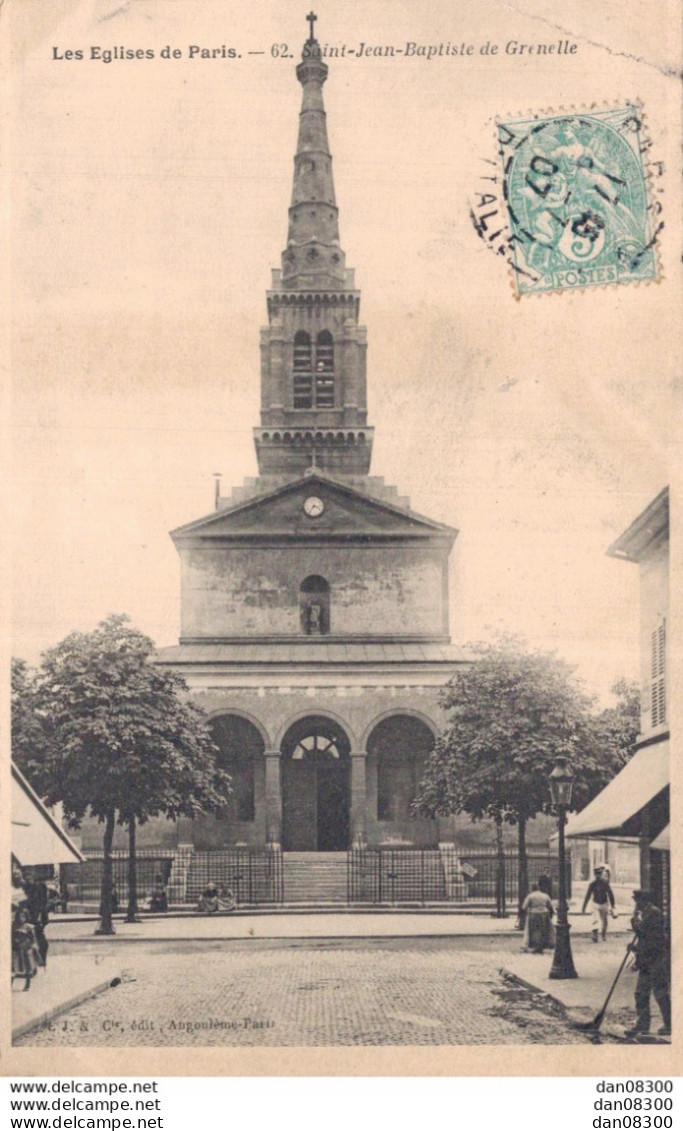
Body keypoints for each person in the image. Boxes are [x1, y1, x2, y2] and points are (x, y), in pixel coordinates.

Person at [626, 890, 671, 1038]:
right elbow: (644, 938)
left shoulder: (653, 913)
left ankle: (669, 1023)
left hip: (655, 959)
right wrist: (635, 948)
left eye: (637, 901)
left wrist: (634, 920)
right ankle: (643, 1025)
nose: (635, 904)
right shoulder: (646, 912)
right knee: (641, 994)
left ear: (642, 900)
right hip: (646, 960)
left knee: (660, 993)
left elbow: (644, 932)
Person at [582, 866, 616, 941]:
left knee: (605, 921)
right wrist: (584, 907)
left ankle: (603, 935)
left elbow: (611, 895)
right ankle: (595, 936)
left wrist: (613, 906)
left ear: (601, 875)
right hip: (595, 904)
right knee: (595, 920)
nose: (598, 876)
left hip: (604, 904)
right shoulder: (592, 884)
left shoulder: (605, 883)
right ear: (595, 875)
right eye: (596, 874)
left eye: (599, 874)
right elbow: (587, 895)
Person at [522, 880, 555, 954]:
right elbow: (551, 906)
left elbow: (524, 907)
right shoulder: (545, 895)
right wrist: (551, 914)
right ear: (539, 888)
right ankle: (544, 945)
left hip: (534, 914)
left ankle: (536, 946)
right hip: (544, 913)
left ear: (532, 889)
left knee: (535, 931)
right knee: (544, 931)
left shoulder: (530, 896)